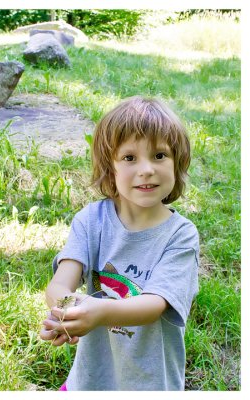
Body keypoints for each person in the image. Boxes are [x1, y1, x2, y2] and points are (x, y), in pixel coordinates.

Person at [40, 96, 199, 391]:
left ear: (178, 161)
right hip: (89, 380)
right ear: (109, 167)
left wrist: (97, 312)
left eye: (160, 155)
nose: (147, 169)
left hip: (149, 384)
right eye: (129, 158)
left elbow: (155, 305)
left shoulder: (181, 235)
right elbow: (58, 286)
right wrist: (65, 313)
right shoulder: (90, 221)